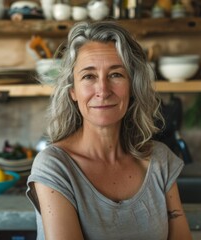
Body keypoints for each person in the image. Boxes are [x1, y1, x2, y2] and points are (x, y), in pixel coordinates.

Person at [26, 21, 192, 240]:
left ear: (132, 86)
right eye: (89, 76)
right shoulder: (55, 166)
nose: (103, 90)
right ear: (73, 91)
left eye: (116, 75)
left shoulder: (159, 160)